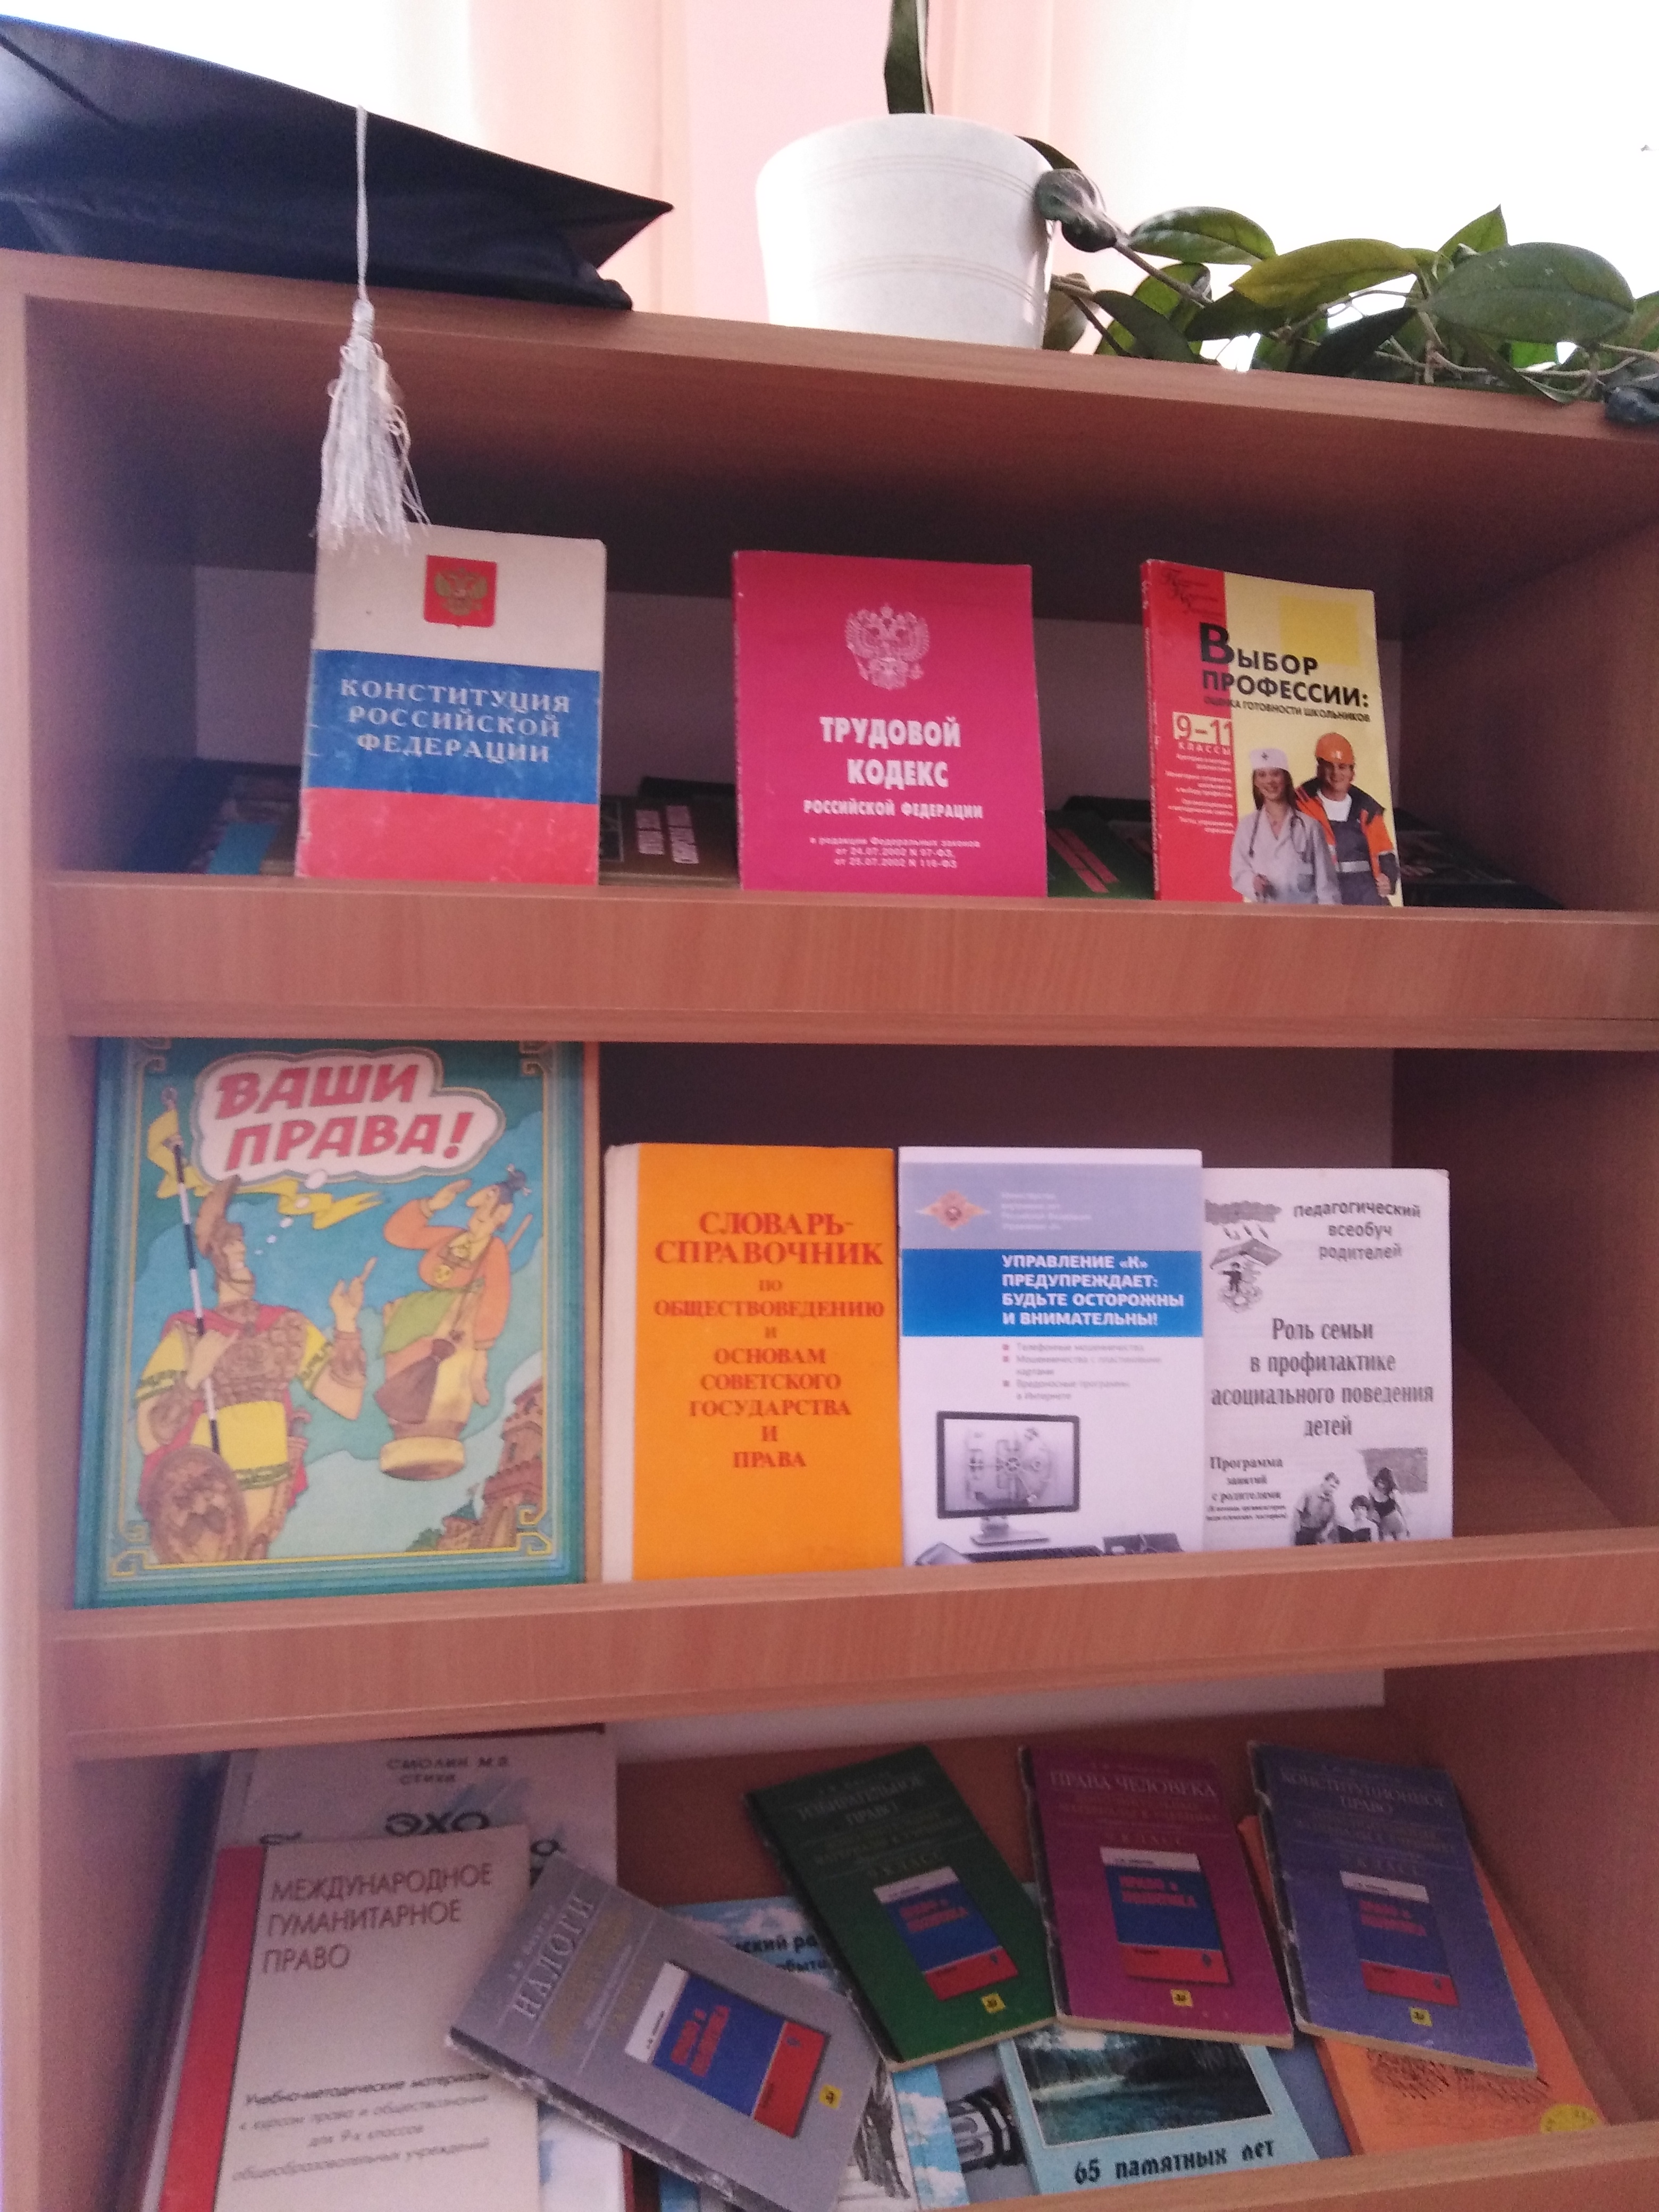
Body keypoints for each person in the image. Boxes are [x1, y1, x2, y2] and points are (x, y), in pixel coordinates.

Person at [133, 1176, 373, 1562]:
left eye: (243, 1243)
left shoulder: (288, 1327)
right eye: (230, 1243)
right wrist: (194, 1376)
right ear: (214, 1256)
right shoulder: (187, 1334)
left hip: (268, 1496)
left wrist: (346, 1325)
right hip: (207, 1501)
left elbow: (347, 1402)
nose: (242, 1249)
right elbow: (150, 1437)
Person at [1295, 732, 1400, 905]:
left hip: (1367, 899)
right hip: (1320, 898)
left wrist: (1388, 879)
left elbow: (1385, 854)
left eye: (1342, 767)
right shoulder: (1299, 805)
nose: (1336, 773)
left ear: (1352, 773)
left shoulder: (1368, 809)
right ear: (1319, 770)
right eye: (1329, 766)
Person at [1229, 747, 1340, 904]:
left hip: (1305, 915)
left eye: (1275, 774)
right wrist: (1253, 883)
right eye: (1262, 775)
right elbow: (1239, 871)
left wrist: (1330, 917)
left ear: (1286, 779)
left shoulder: (1310, 827)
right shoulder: (1247, 827)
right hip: (1266, 914)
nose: (1270, 781)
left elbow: (1326, 885)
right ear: (1256, 782)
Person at [1292, 1471, 1340, 1544]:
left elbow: (1332, 1520)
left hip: (1318, 1534)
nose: (1332, 1490)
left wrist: (1325, 1533)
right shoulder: (1309, 1493)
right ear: (1325, 1482)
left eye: (1335, 1488)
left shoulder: (1331, 1502)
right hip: (1304, 1532)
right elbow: (1297, 1511)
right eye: (1331, 1486)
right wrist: (1298, 1529)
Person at [1368, 1464, 1410, 1540]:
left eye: (1384, 1483)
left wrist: (1407, 1527)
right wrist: (1373, 1522)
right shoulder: (1372, 1491)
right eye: (1380, 1482)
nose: (1381, 1485)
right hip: (1384, 1525)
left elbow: (1400, 1509)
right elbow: (1371, 1508)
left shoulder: (1393, 1493)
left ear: (1388, 1483)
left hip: (1397, 1523)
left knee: (1402, 1545)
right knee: (1388, 1545)